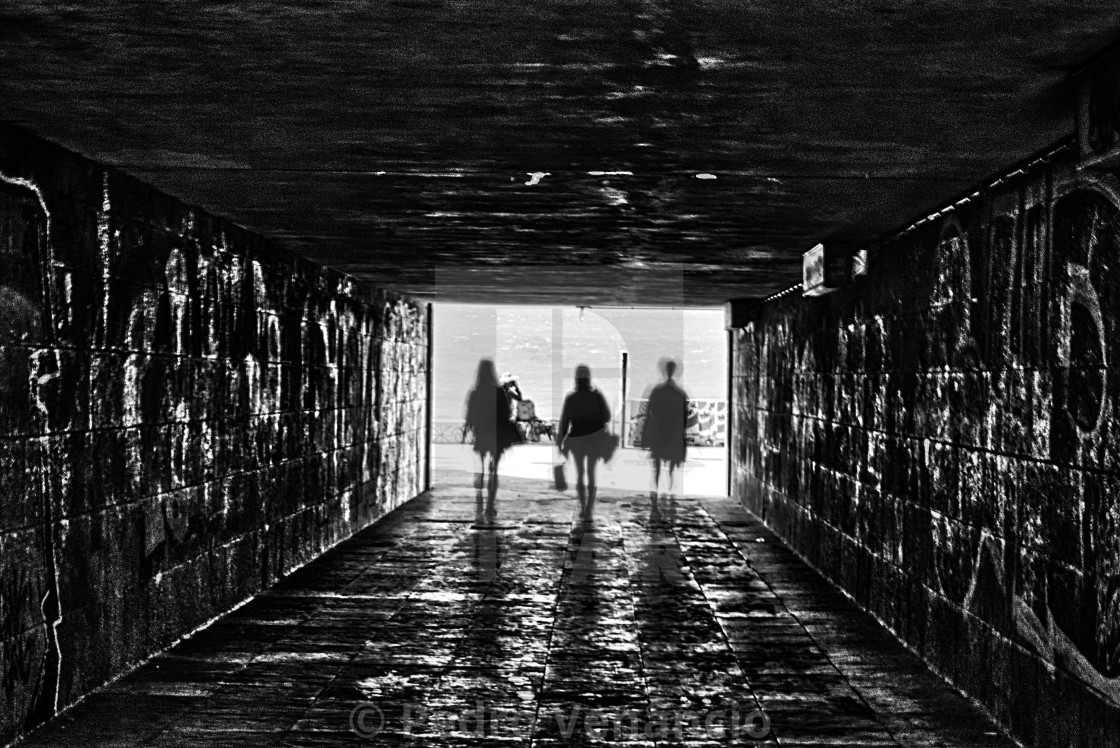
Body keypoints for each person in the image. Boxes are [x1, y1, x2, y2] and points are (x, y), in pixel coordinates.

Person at [464, 359, 521, 506]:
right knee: (494, 470)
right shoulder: (499, 392)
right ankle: (490, 502)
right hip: (496, 433)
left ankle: (479, 491)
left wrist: (466, 433)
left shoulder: (475, 393)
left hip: (481, 432)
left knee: (481, 466)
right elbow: (506, 412)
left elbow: (470, 415)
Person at [558, 365, 611, 519]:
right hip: (594, 438)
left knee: (580, 474)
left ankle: (582, 507)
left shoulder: (571, 398)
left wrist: (560, 441)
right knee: (591, 473)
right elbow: (607, 416)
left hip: (577, 438)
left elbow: (564, 421)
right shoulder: (597, 396)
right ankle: (589, 508)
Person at [642, 359, 688, 502]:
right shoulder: (680, 393)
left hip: (660, 430)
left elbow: (650, 412)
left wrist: (647, 433)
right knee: (672, 465)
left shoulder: (657, 391)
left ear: (664, 371)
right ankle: (670, 490)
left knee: (656, 463)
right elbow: (684, 417)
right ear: (675, 372)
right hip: (673, 432)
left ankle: (655, 490)